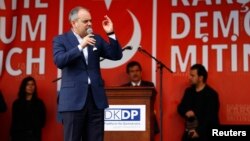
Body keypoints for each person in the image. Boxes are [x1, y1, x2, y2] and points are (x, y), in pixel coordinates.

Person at [52, 6, 122, 141]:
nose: (89, 24)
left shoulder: (96, 38)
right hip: (73, 100)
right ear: (74, 23)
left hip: (95, 99)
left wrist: (111, 33)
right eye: (85, 21)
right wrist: (80, 46)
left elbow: (116, 55)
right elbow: (59, 61)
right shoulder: (61, 40)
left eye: (90, 21)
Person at [177, 64, 220, 141]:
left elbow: (211, 118)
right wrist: (186, 112)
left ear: (200, 78)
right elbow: (180, 108)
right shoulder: (188, 92)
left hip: (206, 134)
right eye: (190, 75)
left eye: (192, 76)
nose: (189, 78)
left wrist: (198, 132)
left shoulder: (211, 95)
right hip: (190, 132)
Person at [121, 61, 160, 134]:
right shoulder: (123, 88)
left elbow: (152, 100)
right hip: (129, 123)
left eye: (137, 71)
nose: (135, 73)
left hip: (147, 120)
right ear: (128, 74)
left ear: (141, 72)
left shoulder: (149, 85)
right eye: (132, 71)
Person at [10, 76, 46, 141]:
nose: (30, 87)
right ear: (24, 87)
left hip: (34, 136)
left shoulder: (39, 103)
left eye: (32, 84)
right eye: (27, 84)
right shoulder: (16, 103)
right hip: (18, 136)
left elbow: (42, 121)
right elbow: (14, 122)